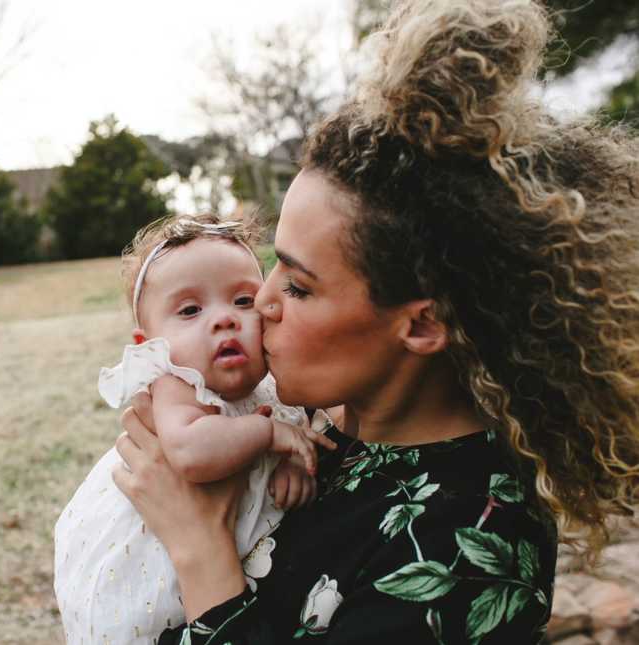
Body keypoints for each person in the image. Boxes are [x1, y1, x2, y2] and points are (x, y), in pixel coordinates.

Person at [111, 0, 639, 642]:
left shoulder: (469, 545)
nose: (263, 303)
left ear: (421, 326)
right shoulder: (313, 417)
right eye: (275, 265)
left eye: (300, 287)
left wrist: (198, 545)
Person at [53, 214, 336, 644]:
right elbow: (191, 453)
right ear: (148, 345)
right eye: (190, 310)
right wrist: (270, 437)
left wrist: (293, 462)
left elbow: (285, 435)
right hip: (156, 558)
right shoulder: (177, 383)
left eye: (243, 301)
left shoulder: (272, 386)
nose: (224, 319)